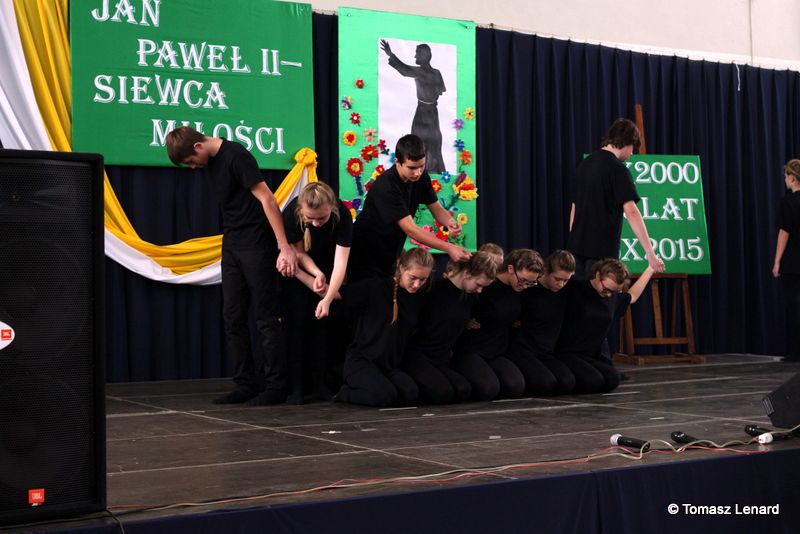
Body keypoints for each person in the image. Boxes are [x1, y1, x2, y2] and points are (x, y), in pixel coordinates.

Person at [166, 126, 297, 406]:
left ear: (198, 147)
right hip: (233, 242)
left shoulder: (236, 156)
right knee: (233, 316)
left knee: (266, 315)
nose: (193, 167)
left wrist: (284, 246)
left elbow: (268, 199)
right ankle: (245, 383)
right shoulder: (211, 162)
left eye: (191, 161)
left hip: (256, 241)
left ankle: (276, 386)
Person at [348, 134, 470, 281]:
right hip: (364, 254)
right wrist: (449, 247)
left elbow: (436, 207)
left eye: (421, 166)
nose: (417, 173)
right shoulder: (387, 186)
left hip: (390, 253)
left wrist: (450, 222)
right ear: (397, 161)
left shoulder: (421, 177)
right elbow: (411, 229)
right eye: (412, 168)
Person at [280, 182, 352, 403]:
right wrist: (315, 273)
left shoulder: (342, 215)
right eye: (310, 218)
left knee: (321, 327)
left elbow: (341, 263)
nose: (316, 223)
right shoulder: (292, 213)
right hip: (299, 270)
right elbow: (298, 253)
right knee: (297, 325)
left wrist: (328, 298)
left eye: (322, 218)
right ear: (301, 209)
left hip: (329, 269)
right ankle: (296, 388)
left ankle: (320, 385)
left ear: (332, 208)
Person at [335, 248, 434, 407]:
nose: (417, 285)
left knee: (410, 393)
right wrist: (299, 272)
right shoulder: (376, 288)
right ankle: (345, 393)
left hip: (388, 366)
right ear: (401, 268)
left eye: (423, 280)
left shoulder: (418, 297)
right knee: (385, 395)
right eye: (413, 278)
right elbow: (332, 293)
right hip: (362, 362)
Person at [568, 118, 665, 279]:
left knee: (578, 294)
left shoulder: (585, 164)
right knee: (599, 295)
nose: (632, 153)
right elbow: (631, 212)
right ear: (626, 142)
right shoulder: (618, 169)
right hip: (601, 254)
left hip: (575, 250)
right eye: (632, 147)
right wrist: (650, 253)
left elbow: (574, 208)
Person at [401, 252, 497, 404]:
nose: (480, 290)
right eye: (478, 285)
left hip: (440, 357)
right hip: (417, 355)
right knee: (442, 393)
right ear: (467, 273)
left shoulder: (469, 296)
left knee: (463, 389)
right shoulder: (432, 291)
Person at [452, 249, 544, 400]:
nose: (525, 286)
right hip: (472, 349)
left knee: (515, 386)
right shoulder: (486, 286)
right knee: (488, 388)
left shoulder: (519, 290)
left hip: (497, 350)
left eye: (531, 282)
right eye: (522, 280)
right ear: (510, 269)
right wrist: (466, 320)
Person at [555, 259, 654, 393]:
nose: (608, 294)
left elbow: (632, 296)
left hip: (590, 356)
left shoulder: (612, 297)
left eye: (614, 291)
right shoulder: (575, 289)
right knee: (594, 381)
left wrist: (650, 269)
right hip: (568, 353)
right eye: (606, 289)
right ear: (597, 275)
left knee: (613, 379)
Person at [507, 250, 577, 395]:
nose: (561, 284)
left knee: (567, 382)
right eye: (557, 279)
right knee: (545, 383)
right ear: (545, 271)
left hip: (546, 353)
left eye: (566, 280)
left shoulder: (565, 291)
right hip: (523, 350)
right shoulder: (528, 288)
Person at [380, 40, 446, 174]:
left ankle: (423, 170)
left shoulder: (421, 72)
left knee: (420, 141)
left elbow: (404, 70)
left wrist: (390, 54)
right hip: (432, 111)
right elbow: (440, 91)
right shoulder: (436, 73)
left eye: (417, 54)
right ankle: (430, 170)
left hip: (423, 112)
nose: (415, 56)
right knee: (431, 141)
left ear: (423, 55)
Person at [772, 159, 800, 362]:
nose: (784, 180)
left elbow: (784, 232)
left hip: (793, 262)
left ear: (792, 178)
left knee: (795, 306)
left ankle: (797, 351)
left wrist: (777, 261)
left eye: (785, 177)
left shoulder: (788, 202)